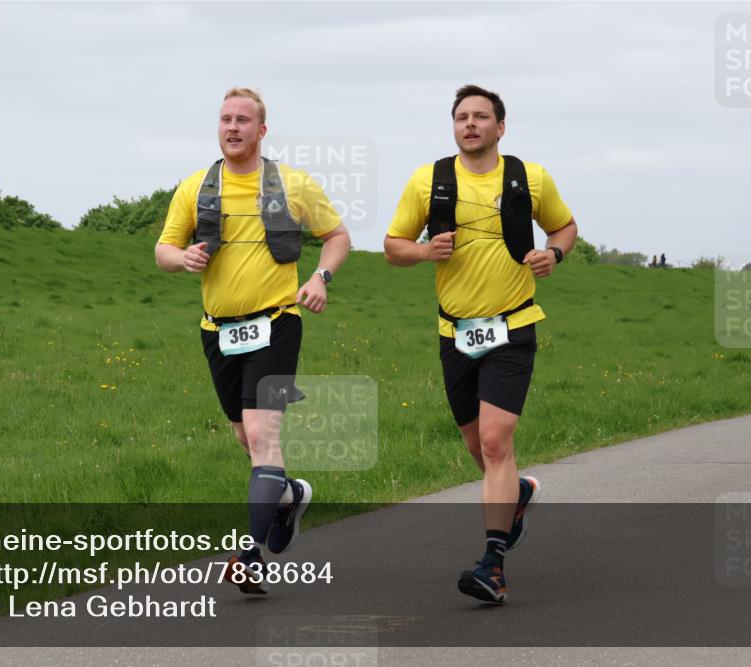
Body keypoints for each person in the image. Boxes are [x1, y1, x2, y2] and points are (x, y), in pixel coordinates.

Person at [384, 84, 577, 603]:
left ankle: (492, 564)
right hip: (456, 332)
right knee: (477, 446)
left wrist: (553, 255)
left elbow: (563, 228)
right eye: (461, 117)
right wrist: (424, 252)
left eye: (480, 116)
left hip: (513, 325)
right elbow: (392, 247)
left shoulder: (528, 177)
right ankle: (517, 495)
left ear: (500, 126)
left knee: (495, 440)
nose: (469, 124)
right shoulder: (429, 180)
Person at [156, 87, 350, 595]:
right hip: (218, 331)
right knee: (246, 439)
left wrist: (319, 279)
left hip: (277, 323)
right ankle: (289, 497)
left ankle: (249, 553)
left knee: (264, 437)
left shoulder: (292, 184)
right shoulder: (196, 187)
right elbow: (163, 250)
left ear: (262, 131)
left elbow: (337, 237)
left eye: (244, 120)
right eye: (225, 119)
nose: (233, 127)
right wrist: (183, 259)